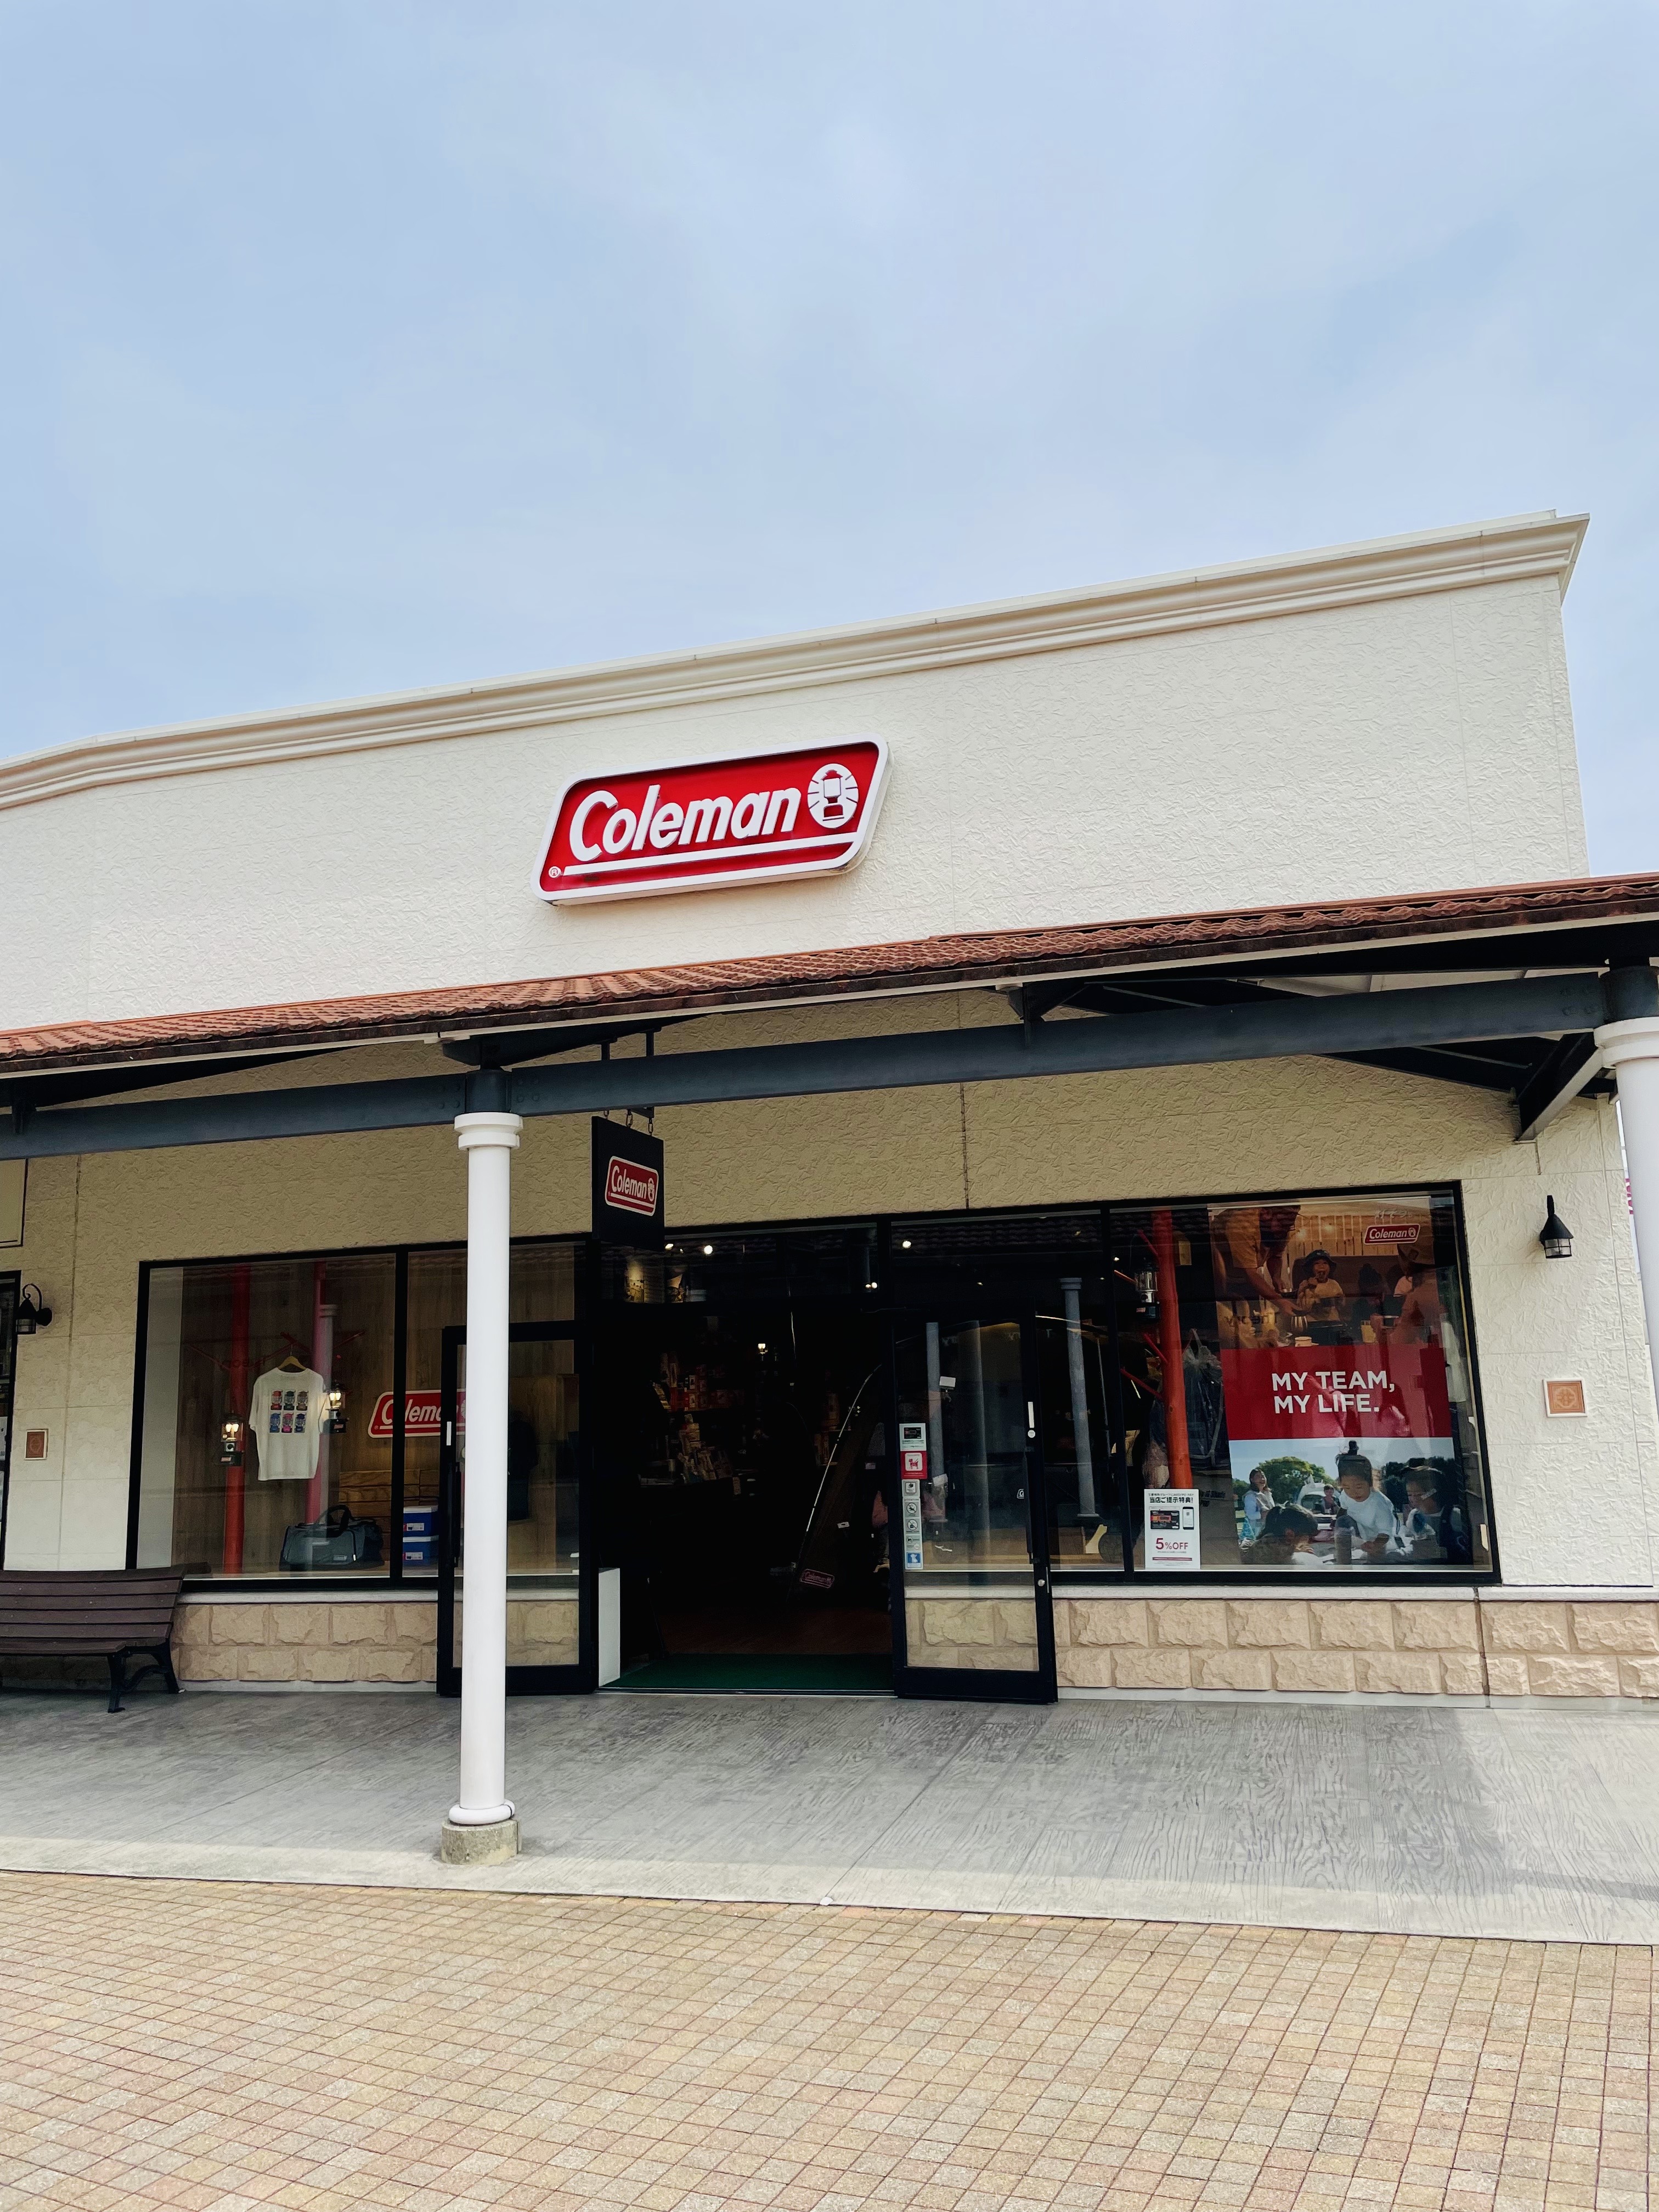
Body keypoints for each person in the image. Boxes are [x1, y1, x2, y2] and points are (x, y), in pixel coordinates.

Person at [1325, 1448, 1398, 1560]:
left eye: (1359, 1487)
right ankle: (1343, 1561)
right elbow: (1343, 1509)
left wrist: (1375, 1545)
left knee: (1376, 1559)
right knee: (1342, 1521)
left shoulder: (1380, 1504)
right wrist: (1336, 1524)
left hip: (1380, 1536)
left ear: (1370, 1482)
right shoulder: (1346, 1495)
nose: (1353, 1492)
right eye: (1347, 1487)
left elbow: (1385, 1533)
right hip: (1359, 1529)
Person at [1295, 1250, 1347, 1342]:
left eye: (1325, 1263)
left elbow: (1342, 1306)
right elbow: (1304, 1309)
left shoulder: (1334, 1284)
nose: (1321, 1266)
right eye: (1317, 1263)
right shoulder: (1305, 1285)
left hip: (1333, 1323)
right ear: (1311, 1268)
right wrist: (1311, 1289)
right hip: (1313, 1325)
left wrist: (1340, 1300)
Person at [1248, 1504, 1320, 1567]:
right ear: (1290, 1534)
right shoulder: (1280, 1556)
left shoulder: (1270, 1540)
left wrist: (1297, 1550)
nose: (1309, 1541)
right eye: (1307, 1537)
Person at [1239, 1465, 1272, 1545]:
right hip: (1256, 1532)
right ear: (1252, 1480)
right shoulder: (1250, 1496)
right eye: (1258, 1477)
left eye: (1263, 1476)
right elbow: (1251, 1515)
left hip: (1269, 1529)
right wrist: (1265, 1514)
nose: (1262, 1479)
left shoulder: (1268, 1494)